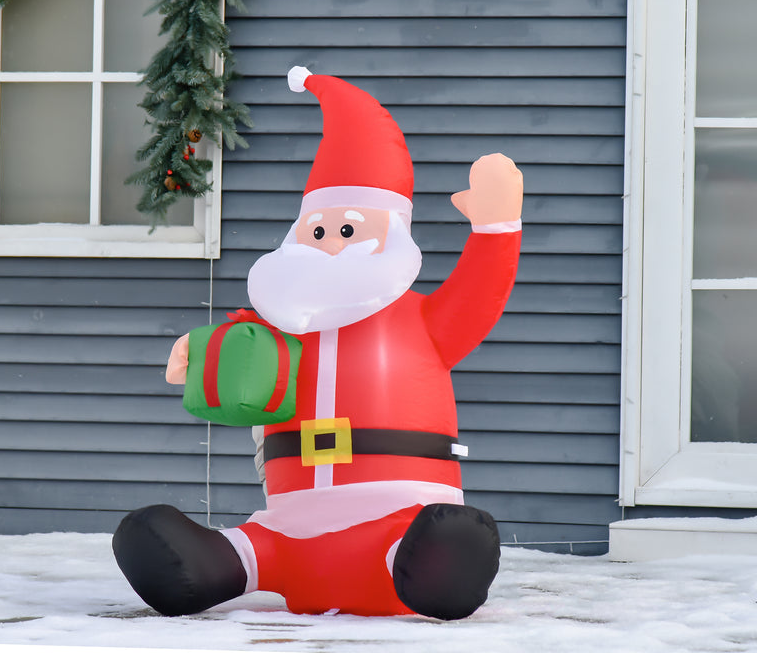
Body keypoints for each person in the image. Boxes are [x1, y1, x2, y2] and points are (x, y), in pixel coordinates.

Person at [113, 67, 523, 620]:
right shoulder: (283, 321)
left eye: (349, 230)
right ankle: (223, 563)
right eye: (318, 231)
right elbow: (249, 356)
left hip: (396, 513)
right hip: (289, 521)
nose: (330, 244)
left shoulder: (421, 319)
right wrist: (205, 352)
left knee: (425, 543)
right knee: (259, 545)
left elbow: (477, 298)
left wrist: (496, 231)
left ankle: (431, 566)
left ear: (393, 237)